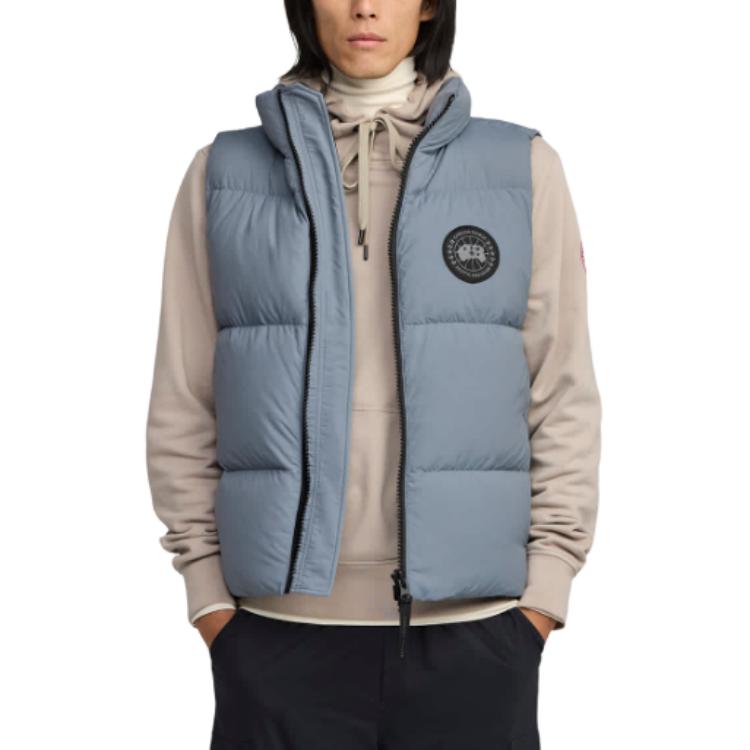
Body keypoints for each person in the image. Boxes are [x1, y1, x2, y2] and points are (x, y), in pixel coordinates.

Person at [145, 1, 602, 747]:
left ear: (428, 6)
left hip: (478, 635)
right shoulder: (223, 175)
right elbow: (184, 396)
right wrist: (209, 601)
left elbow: (563, 391)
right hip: (274, 635)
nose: (364, 6)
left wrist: (541, 602)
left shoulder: (521, 169)